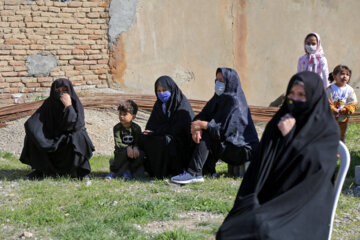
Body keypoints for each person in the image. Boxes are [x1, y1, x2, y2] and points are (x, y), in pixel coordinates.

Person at [216, 71, 340, 240]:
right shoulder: (280, 121)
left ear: (313, 97)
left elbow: (314, 168)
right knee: (230, 229)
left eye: (301, 95)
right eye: (291, 94)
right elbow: (259, 165)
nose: (294, 99)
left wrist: (291, 138)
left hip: (304, 204)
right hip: (271, 196)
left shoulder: (326, 130)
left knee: (263, 232)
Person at [171, 68, 259, 184]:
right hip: (231, 145)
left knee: (208, 132)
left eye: (221, 80)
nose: (218, 83)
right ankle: (207, 170)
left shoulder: (236, 102)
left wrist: (203, 125)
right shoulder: (218, 99)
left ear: (230, 82)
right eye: (216, 80)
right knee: (204, 131)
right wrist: (197, 128)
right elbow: (203, 114)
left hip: (243, 150)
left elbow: (224, 131)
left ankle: (194, 173)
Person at [20, 78, 95, 180]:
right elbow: (32, 123)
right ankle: (42, 171)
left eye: (65, 90)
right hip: (52, 140)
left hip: (67, 141)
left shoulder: (75, 103)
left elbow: (76, 126)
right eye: (58, 90)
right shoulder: (49, 104)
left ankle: (80, 172)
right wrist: (41, 138)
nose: (62, 93)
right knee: (33, 134)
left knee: (79, 135)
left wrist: (68, 106)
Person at [141, 76, 194, 178]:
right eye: (159, 91)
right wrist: (151, 132)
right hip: (163, 133)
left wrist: (156, 132)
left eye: (164, 90)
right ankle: (150, 170)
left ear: (171, 89)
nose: (161, 93)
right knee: (144, 138)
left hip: (180, 140)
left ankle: (171, 171)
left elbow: (179, 128)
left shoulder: (181, 104)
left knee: (166, 140)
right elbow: (152, 124)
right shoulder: (159, 104)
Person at [105, 100, 145, 181]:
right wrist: (128, 148)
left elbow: (138, 141)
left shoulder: (136, 128)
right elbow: (118, 143)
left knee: (141, 154)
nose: (121, 116)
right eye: (120, 114)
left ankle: (129, 171)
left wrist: (136, 148)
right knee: (123, 153)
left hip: (133, 151)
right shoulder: (117, 128)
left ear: (133, 117)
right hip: (121, 151)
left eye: (125, 114)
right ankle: (113, 171)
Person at [326, 65, 357, 142]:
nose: (345, 76)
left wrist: (345, 109)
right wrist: (333, 109)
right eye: (342, 74)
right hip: (330, 119)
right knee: (329, 135)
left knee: (341, 136)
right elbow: (326, 101)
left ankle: (340, 151)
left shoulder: (350, 90)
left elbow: (353, 103)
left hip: (343, 119)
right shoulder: (330, 89)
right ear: (334, 76)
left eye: (347, 75)